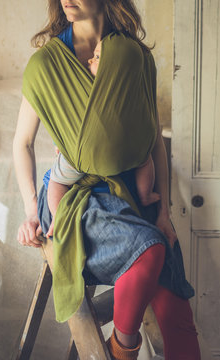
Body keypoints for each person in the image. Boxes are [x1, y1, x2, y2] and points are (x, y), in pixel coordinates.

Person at [13, 1, 201, 359]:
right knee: (149, 250)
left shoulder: (132, 57)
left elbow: (153, 140)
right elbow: (21, 143)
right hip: (76, 201)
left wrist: (164, 213)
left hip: (133, 194)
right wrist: (30, 212)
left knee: (174, 304)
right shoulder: (48, 65)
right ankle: (122, 349)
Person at [45, 39, 160, 239]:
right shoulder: (133, 93)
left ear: (112, 69)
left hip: (83, 154)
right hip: (130, 152)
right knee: (145, 158)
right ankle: (145, 195)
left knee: (57, 182)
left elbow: (70, 123)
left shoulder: (86, 92)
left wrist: (59, 144)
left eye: (97, 57)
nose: (90, 59)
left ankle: (58, 217)